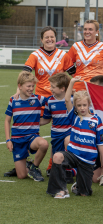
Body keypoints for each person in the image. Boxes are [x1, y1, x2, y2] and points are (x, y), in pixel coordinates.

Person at [5, 26, 75, 178]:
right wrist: (18, 92)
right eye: (46, 37)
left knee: (58, 130)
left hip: (56, 99)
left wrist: (71, 91)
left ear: (56, 39)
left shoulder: (63, 55)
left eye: (52, 37)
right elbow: (25, 73)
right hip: (38, 100)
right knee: (28, 125)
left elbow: (73, 74)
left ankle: (53, 165)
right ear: (41, 39)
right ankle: (23, 163)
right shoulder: (35, 55)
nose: (50, 39)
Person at [46, 77, 103, 198]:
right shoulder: (74, 116)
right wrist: (72, 82)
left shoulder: (96, 120)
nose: (82, 108)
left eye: (84, 105)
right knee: (57, 156)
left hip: (88, 159)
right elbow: (67, 99)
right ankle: (61, 190)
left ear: (89, 104)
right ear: (76, 106)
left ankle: (78, 186)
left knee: (85, 193)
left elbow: (101, 142)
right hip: (73, 154)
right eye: (79, 105)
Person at [4, 71, 49, 182]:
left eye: (32, 86)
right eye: (28, 86)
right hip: (17, 140)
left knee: (44, 144)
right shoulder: (13, 100)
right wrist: (8, 140)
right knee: (22, 176)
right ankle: (23, 166)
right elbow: (7, 121)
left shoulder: (38, 99)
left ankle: (34, 167)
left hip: (32, 137)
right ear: (19, 86)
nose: (31, 89)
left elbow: (53, 102)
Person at [40, 73, 76, 183]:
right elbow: (46, 119)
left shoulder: (73, 100)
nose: (50, 89)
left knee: (68, 143)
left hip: (69, 133)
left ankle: (69, 171)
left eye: (53, 87)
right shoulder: (49, 101)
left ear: (62, 89)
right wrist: (32, 123)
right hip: (56, 135)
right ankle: (56, 169)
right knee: (57, 156)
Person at [67, 19, 103, 92]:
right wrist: (75, 75)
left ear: (97, 32)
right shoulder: (76, 46)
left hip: (97, 89)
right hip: (78, 88)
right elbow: (67, 62)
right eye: (85, 29)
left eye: (90, 29)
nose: (87, 32)